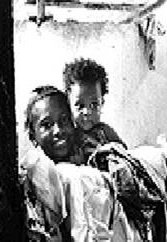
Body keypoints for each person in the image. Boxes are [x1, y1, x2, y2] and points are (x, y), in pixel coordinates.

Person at [20, 85, 141, 242]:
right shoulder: (35, 176)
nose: (58, 130)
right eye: (47, 125)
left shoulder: (93, 153)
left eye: (64, 120)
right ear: (33, 136)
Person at [63, 58, 127, 161]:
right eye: (79, 105)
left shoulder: (105, 133)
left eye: (94, 104)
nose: (87, 112)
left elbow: (125, 156)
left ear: (102, 103)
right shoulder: (69, 135)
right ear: (68, 103)